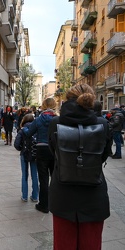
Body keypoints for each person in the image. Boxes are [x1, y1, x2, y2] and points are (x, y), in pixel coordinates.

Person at [48, 83, 111, 249]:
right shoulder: (102, 124)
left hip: (62, 194)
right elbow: (104, 155)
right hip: (94, 195)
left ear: (67, 99)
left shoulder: (55, 123)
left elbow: (53, 152)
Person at [22, 97, 57, 213]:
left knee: (43, 178)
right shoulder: (57, 119)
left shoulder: (38, 119)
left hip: (41, 150)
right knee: (55, 177)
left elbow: (28, 133)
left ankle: (44, 205)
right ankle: (54, 203)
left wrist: (23, 129)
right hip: (55, 150)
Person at [14, 114, 38, 203]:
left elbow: (16, 144)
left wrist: (21, 148)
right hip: (34, 154)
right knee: (34, 175)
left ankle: (24, 196)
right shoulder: (36, 129)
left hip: (24, 154)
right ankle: (35, 196)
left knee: (24, 175)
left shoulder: (22, 130)